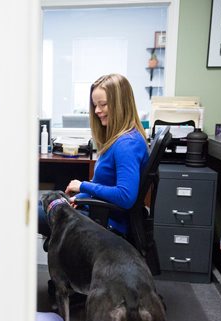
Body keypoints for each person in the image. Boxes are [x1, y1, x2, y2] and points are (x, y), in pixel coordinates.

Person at [38, 73, 149, 238]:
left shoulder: (127, 144)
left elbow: (125, 196)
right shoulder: (122, 139)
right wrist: (79, 198)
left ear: (120, 104)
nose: (97, 111)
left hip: (107, 224)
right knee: (40, 203)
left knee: (23, 212)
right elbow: (105, 186)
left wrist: (83, 186)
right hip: (97, 213)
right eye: (95, 105)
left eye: (103, 104)